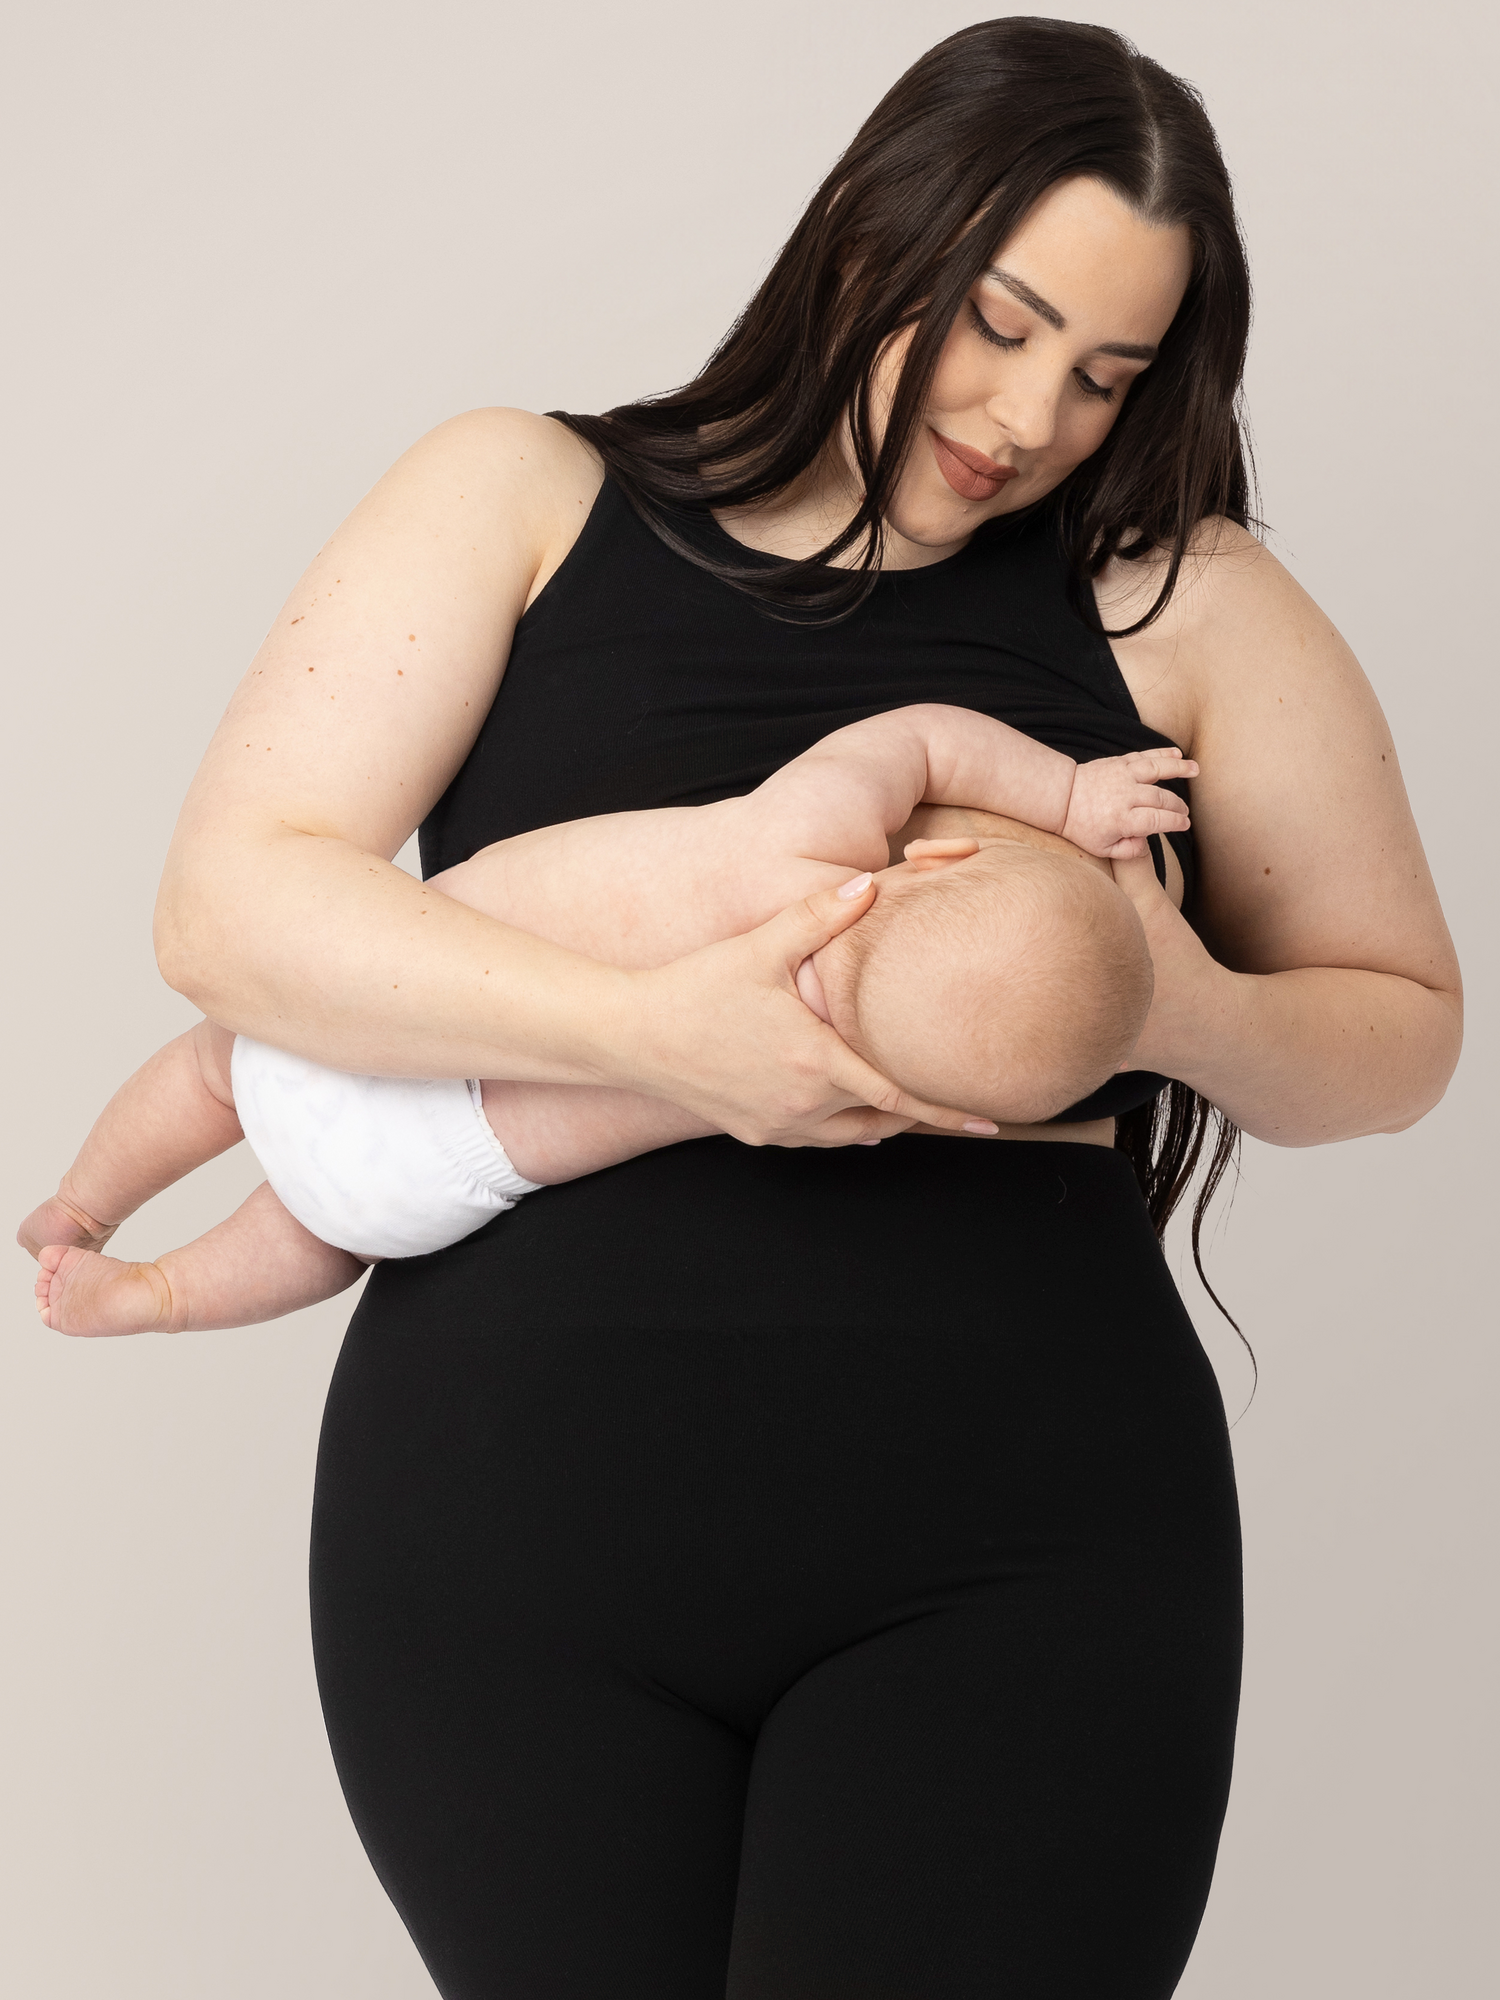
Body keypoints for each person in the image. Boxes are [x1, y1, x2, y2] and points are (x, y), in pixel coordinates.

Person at [117, 18, 1461, 1998]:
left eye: (1106, 373)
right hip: (512, 1542)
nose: (1030, 414)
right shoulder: (519, 493)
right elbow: (233, 911)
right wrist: (666, 1041)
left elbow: (1404, 1029)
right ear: (867, 236)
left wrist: (1165, 1001)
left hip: (1024, 1548)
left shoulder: (1184, 595)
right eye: (996, 324)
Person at [21, 708, 1190, 1332]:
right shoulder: (829, 1089)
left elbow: (926, 734)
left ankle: (87, 1202)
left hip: (391, 1007)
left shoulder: (817, 831)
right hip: (418, 1179)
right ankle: (164, 1294)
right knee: (313, 1238)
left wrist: (1065, 793)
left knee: (212, 1071)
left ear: (930, 857)